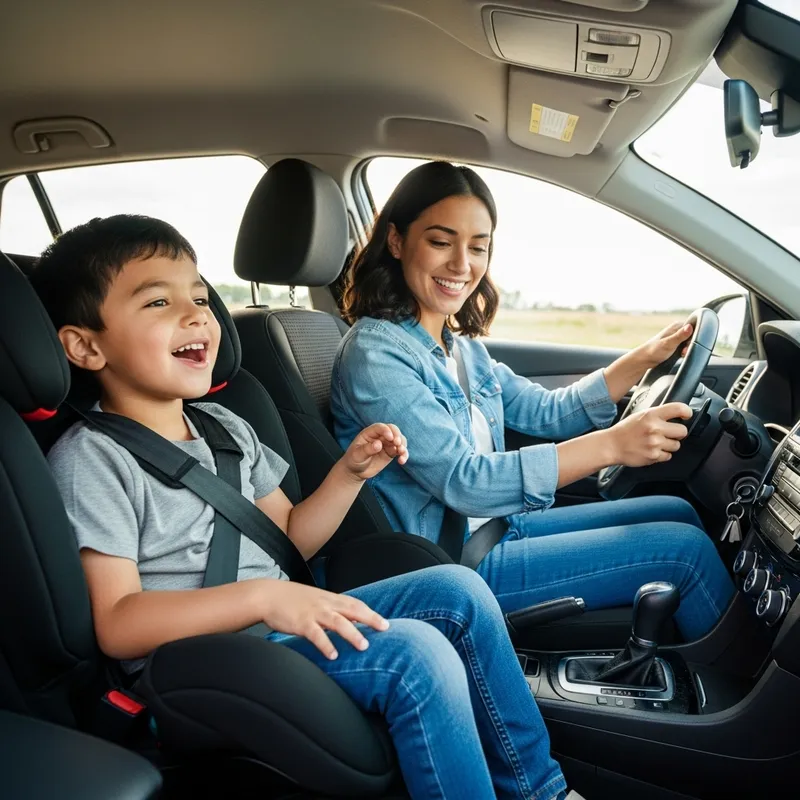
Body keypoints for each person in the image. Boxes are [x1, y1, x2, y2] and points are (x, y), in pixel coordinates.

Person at [32, 214, 585, 800]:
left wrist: (349, 474)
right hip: (203, 665)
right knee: (415, 654)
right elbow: (118, 623)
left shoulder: (224, 427)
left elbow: (290, 538)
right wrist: (264, 597)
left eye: (199, 295)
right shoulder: (93, 458)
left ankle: (539, 790)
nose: (197, 314)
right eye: (158, 303)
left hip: (274, 626)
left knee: (458, 590)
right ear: (86, 346)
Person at [331, 161, 735, 643]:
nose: (463, 265)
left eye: (478, 247)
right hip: (456, 564)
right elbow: (465, 483)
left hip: (504, 528)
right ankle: (747, 701)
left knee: (678, 512)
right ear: (397, 242)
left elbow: (547, 412)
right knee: (683, 551)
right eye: (441, 242)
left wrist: (645, 359)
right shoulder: (375, 355)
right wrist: (612, 446)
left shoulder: (462, 350)